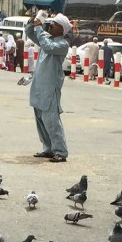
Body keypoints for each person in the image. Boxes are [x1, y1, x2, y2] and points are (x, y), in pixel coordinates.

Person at [26, 12, 71, 163]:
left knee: (51, 119)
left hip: (50, 87)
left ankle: (60, 151)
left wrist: (40, 29)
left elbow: (48, 46)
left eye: (54, 24)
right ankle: (48, 148)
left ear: (61, 29)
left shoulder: (62, 44)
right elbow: (29, 33)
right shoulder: (47, 39)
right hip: (39, 85)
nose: (50, 25)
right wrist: (33, 21)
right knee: (40, 119)